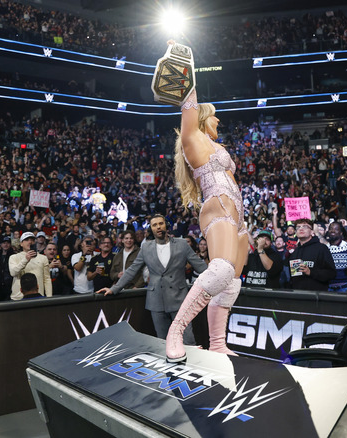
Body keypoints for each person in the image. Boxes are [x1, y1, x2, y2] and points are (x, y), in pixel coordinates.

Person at [153, 46, 251, 362]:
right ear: (205, 118)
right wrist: (187, 64)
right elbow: (188, 103)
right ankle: (176, 332)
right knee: (220, 270)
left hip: (237, 212)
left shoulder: (214, 144)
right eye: (215, 116)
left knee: (232, 283)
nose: (219, 120)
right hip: (218, 204)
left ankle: (218, 344)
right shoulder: (193, 140)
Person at [99, 215, 208, 352]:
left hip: (179, 299)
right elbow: (132, 270)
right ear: (151, 228)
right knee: (162, 342)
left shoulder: (181, 244)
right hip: (156, 301)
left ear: (166, 225)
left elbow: (201, 267)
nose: (158, 227)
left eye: (161, 223)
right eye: (154, 225)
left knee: (188, 340)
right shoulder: (146, 248)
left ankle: (195, 366)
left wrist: (218, 281)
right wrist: (114, 289)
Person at [287, 218, 336, 291]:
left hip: (316, 297)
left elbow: (332, 273)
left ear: (312, 232)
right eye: (298, 227)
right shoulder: (294, 252)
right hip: (297, 295)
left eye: (305, 226)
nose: (301, 229)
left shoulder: (321, 248)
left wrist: (310, 272)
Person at [8, 231, 53, 300]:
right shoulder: (14, 257)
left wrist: (49, 297)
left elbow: (47, 279)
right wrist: (26, 259)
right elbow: (13, 272)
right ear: (21, 244)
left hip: (38, 296)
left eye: (32, 240)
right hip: (18, 298)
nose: (30, 242)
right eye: (26, 240)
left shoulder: (43, 258)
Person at [324, 220, 347, 292]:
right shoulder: (325, 248)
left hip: (344, 287)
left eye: (336, 229)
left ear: (341, 233)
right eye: (331, 229)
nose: (333, 231)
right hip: (329, 287)